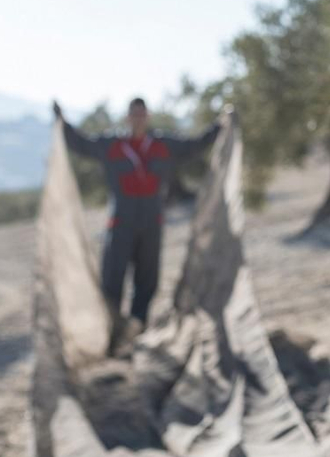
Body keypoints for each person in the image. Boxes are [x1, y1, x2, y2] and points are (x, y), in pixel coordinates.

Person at [52, 97, 220, 337]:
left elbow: (195, 145)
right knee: (112, 278)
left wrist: (219, 126)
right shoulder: (112, 145)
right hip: (121, 221)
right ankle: (112, 330)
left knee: (148, 279)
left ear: (147, 117)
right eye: (134, 114)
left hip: (152, 221)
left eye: (142, 114)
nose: (138, 119)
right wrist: (61, 120)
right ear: (127, 117)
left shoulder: (163, 145)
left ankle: (137, 328)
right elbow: (80, 144)